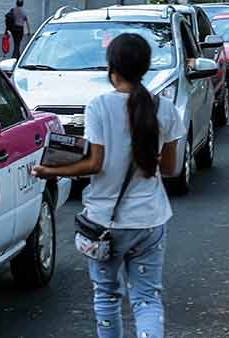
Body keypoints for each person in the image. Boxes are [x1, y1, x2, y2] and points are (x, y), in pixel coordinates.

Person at [32, 33, 185, 338]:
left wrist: (50, 169)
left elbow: (94, 163)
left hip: (105, 224)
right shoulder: (164, 109)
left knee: (106, 296)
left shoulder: (99, 106)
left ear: (111, 67)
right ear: (145, 68)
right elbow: (170, 168)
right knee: (146, 299)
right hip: (150, 221)